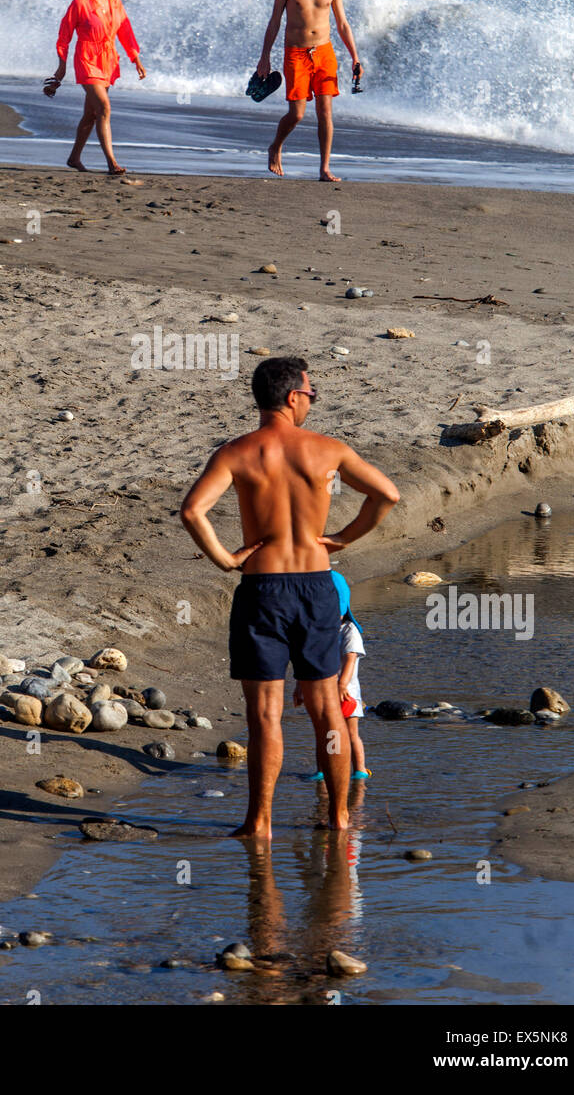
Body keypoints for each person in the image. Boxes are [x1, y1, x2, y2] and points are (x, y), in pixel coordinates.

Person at [180, 355, 399, 838]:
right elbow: (386, 495)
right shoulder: (327, 450)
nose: (312, 403)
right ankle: (340, 818)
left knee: (263, 716)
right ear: (293, 397)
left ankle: (259, 824)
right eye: (311, 395)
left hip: (262, 588)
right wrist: (341, 538)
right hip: (316, 588)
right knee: (327, 712)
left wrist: (225, 558)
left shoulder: (236, 452)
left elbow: (193, 511)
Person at [255, 0, 361, 182]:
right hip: (296, 54)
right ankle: (275, 147)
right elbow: (274, 23)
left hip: (324, 53)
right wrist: (265, 57)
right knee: (298, 114)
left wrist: (355, 57)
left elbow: (343, 24)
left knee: (325, 113)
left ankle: (324, 168)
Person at [47, 0, 146, 176]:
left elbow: (125, 31)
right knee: (104, 108)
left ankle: (74, 158)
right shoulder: (80, 3)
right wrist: (61, 67)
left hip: (108, 60)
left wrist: (135, 58)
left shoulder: (115, 1)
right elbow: (64, 37)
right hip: (87, 59)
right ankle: (112, 162)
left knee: (92, 114)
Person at [295, 570, 372, 781]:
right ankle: (323, 770)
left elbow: (350, 658)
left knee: (350, 733)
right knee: (326, 735)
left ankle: (360, 769)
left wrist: (342, 684)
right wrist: (300, 686)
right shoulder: (315, 632)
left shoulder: (349, 631)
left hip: (347, 694)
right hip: (323, 694)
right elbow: (306, 660)